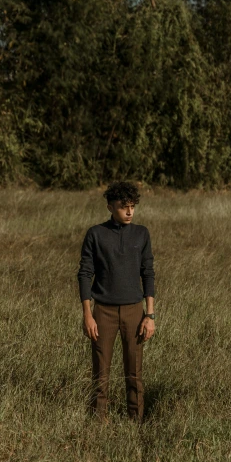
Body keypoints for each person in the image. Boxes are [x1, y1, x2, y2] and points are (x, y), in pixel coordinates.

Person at [77, 181, 155, 423]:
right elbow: (84, 273)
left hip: (134, 311)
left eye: (132, 207)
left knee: (134, 373)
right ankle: (99, 422)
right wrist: (88, 315)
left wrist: (149, 315)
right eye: (124, 207)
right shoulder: (96, 234)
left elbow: (148, 273)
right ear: (110, 207)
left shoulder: (141, 233)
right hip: (103, 313)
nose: (130, 212)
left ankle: (136, 421)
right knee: (101, 373)